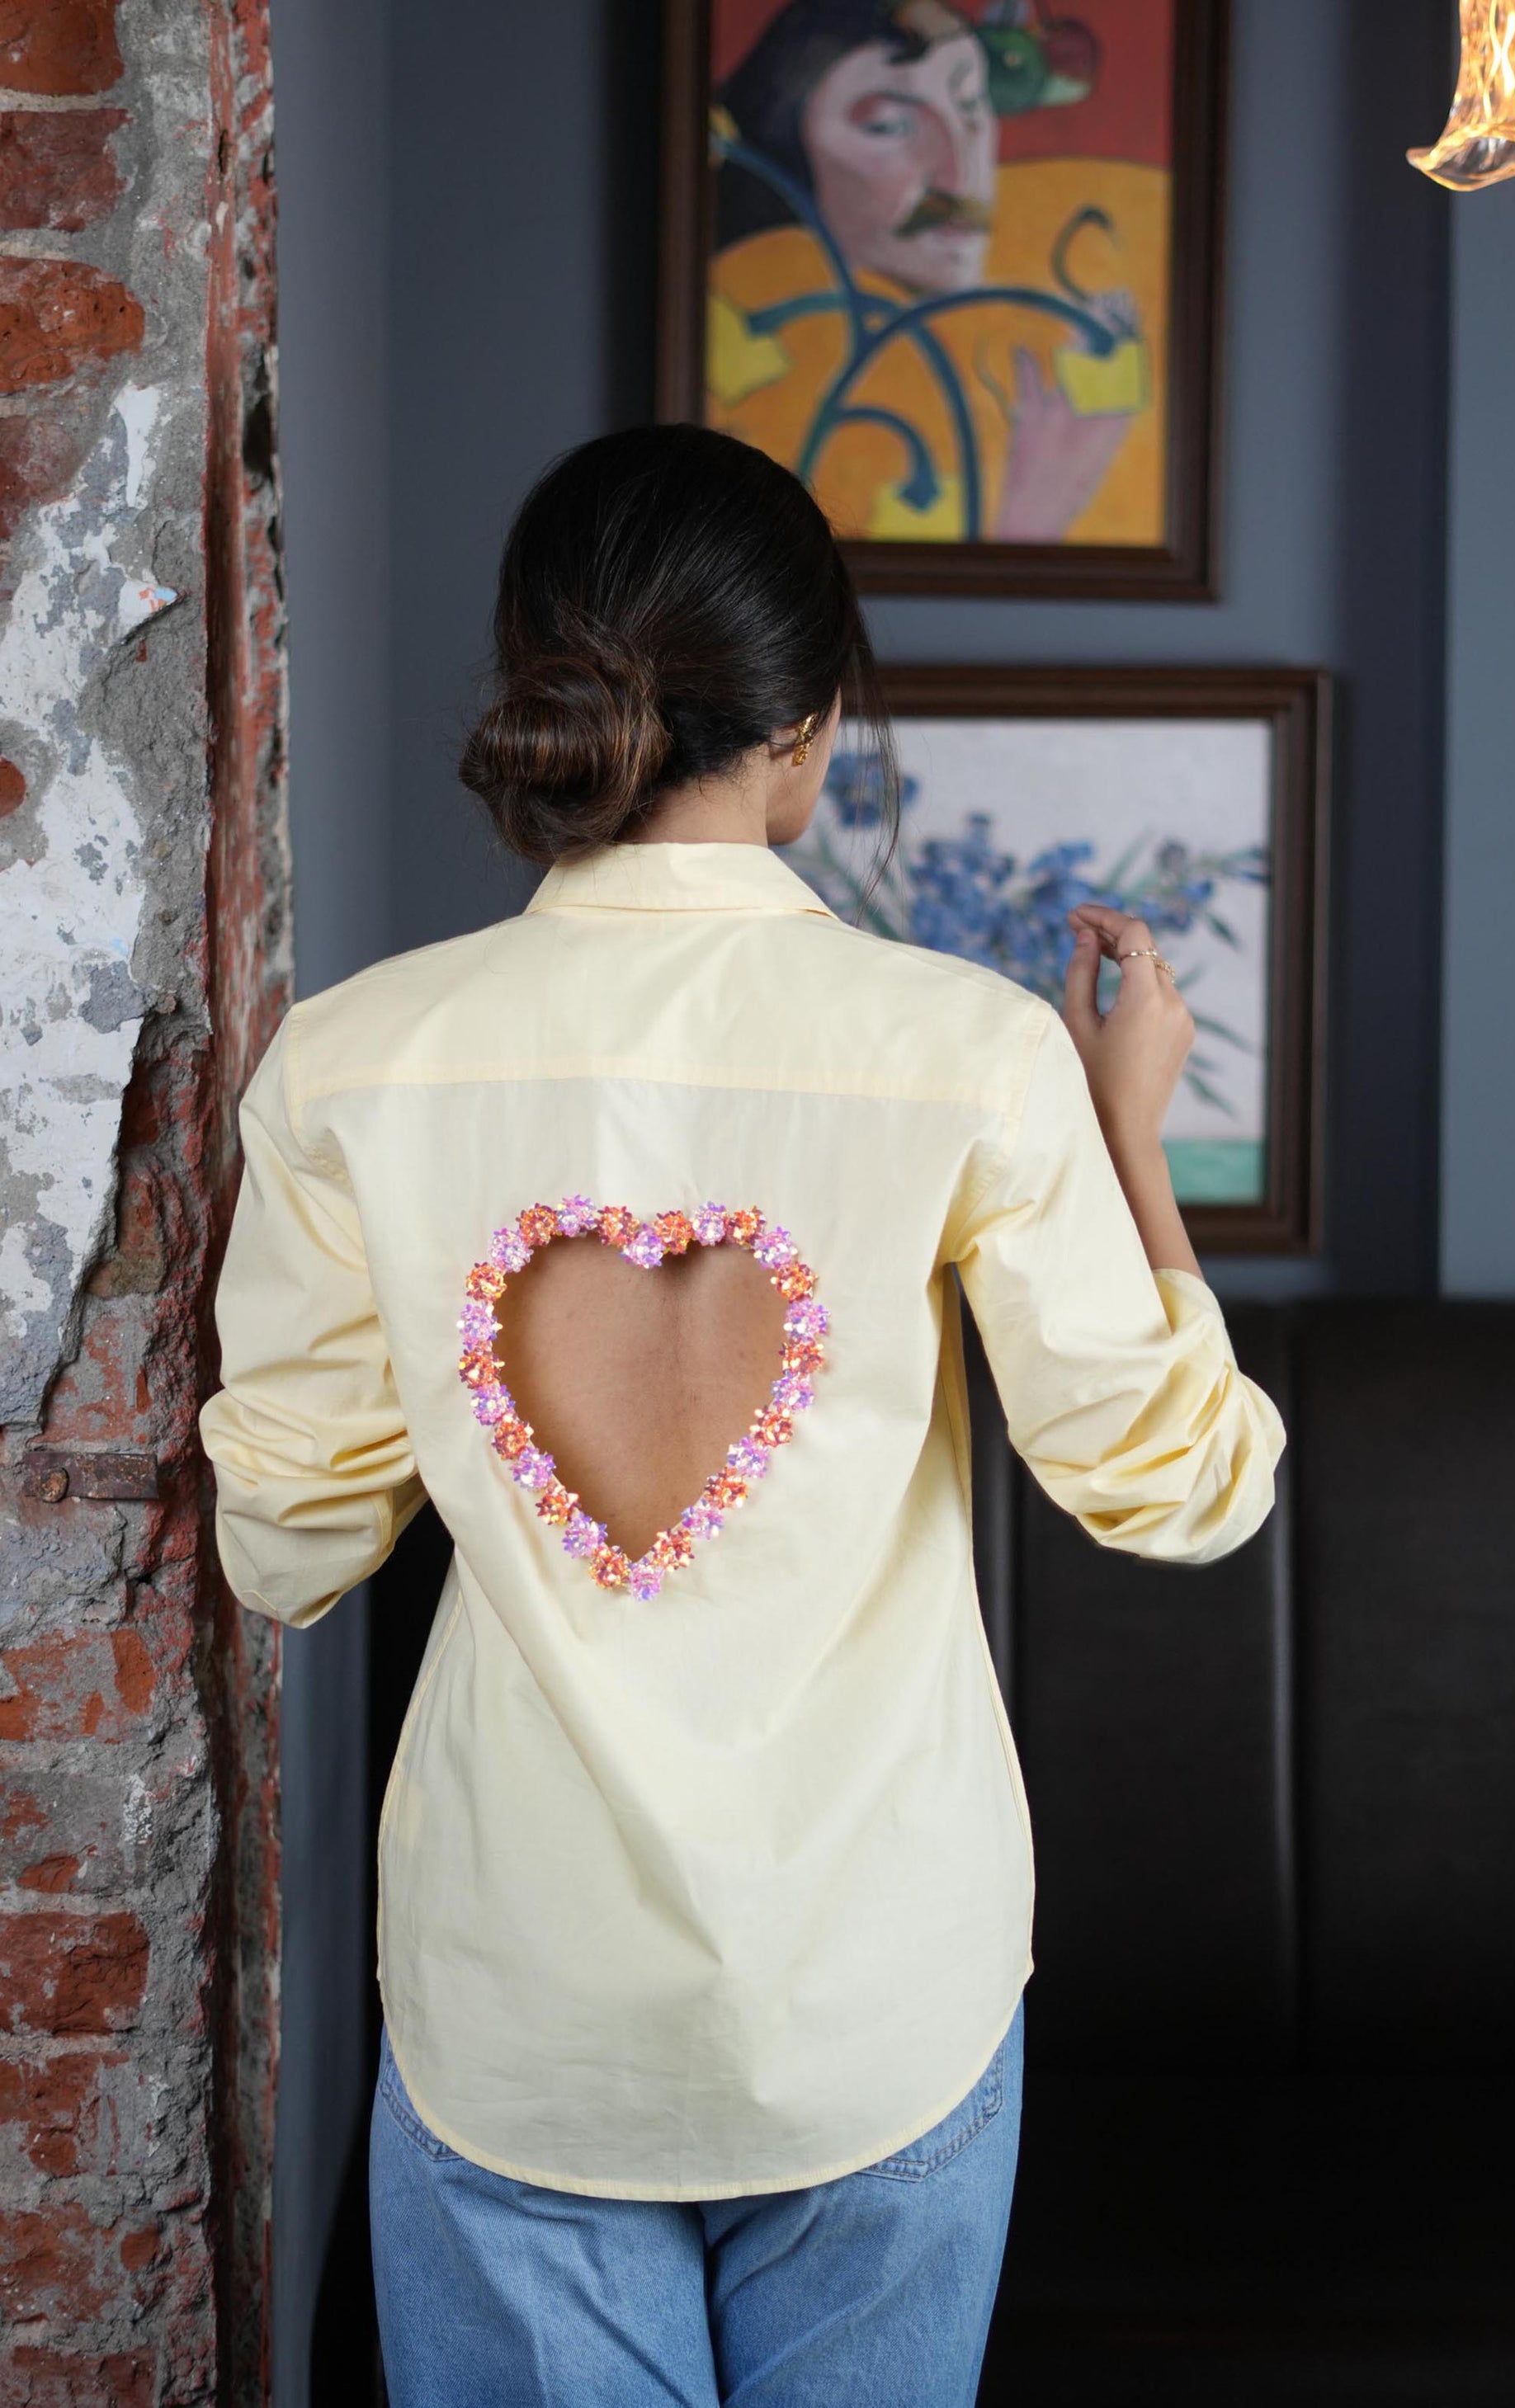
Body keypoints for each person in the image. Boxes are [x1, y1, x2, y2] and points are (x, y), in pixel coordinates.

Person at [199, 422, 1283, 2406]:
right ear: (809, 725)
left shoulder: (352, 1063)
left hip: (519, 2003)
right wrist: (1128, 1136)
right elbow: (1183, 1493)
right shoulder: (969, 1056)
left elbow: (284, 1552)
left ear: (543, 682)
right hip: (877, 1991)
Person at [708, 0, 1158, 544]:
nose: (958, 174)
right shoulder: (744, 371)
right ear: (783, 147)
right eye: (889, 125)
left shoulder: (1004, 349)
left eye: (971, 105)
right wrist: (1033, 510)